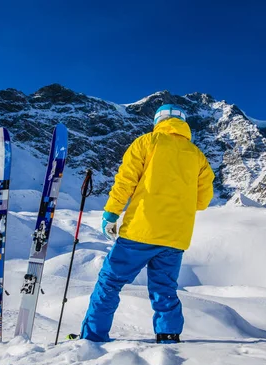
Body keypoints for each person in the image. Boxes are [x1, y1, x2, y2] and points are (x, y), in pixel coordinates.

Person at [79, 104, 215, 343]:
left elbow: (125, 181)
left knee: (110, 282)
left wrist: (111, 214)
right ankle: (168, 337)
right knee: (164, 289)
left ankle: (92, 337)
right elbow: (203, 201)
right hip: (175, 237)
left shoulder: (147, 142)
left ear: (157, 120)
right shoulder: (197, 156)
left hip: (139, 232)